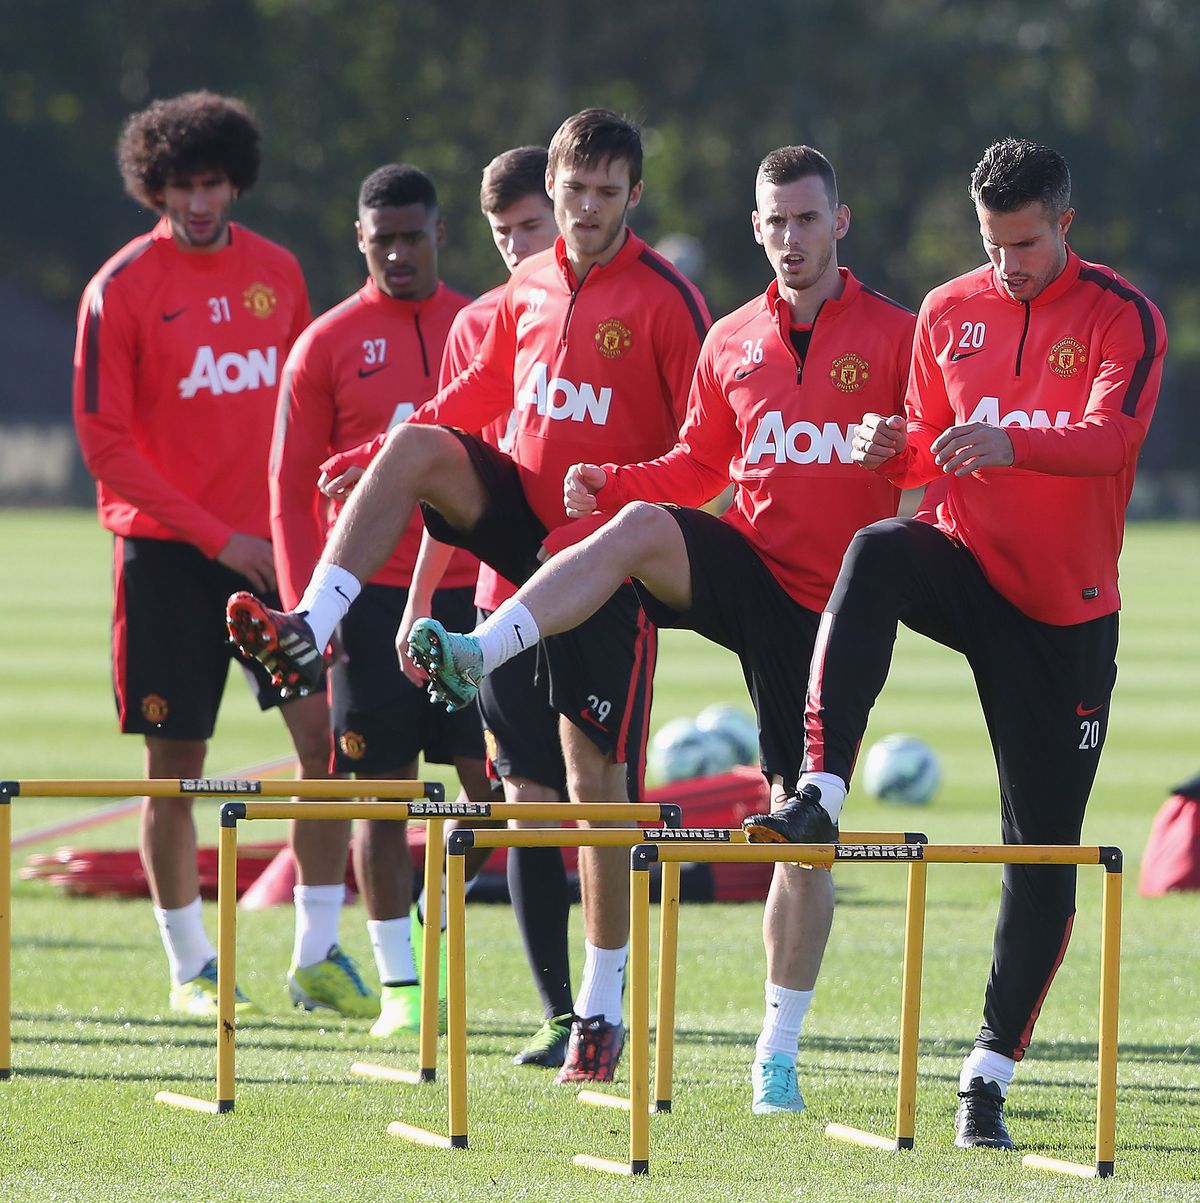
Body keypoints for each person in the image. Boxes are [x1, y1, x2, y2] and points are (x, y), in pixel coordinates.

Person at [406, 145, 915, 1114]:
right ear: (757, 228)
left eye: (809, 220)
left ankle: (777, 1054)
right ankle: (483, 648)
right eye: (776, 222)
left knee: (803, 825)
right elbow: (696, 465)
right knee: (638, 529)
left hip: (841, 613)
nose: (792, 239)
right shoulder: (733, 339)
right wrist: (620, 484)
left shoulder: (897, 334)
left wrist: (906, 445)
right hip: (751, 575)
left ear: (839, 224)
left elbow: (942, 450)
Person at [227, 108, 710, 1082]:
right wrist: (374, 456)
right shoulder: (523, 288)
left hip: (604, 559)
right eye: (572, 195)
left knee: (591, 788)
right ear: (556, 188)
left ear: (634, 198)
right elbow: (472, 400)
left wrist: (623, 489)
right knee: (414, 445)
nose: (584, 214)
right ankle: (306, 629)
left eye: (606, 198)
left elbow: (708, 461)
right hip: (514, 536)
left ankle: (602, 1010)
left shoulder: (669, 301)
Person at [743, 138, 1166, 1149]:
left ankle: (987, 1074)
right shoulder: (947, 311)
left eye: (1025, 243)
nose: (1009, 263)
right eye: (993, 244)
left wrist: (1011, 439)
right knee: (880, 548)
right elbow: (925, 448)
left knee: (1043, 852)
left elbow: (1117, 442)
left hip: (1064, 620)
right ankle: (821, 793)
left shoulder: (1123, 316)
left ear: (1064, 222)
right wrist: (892, 450)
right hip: (967, 567)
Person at [71, 91, 354, 1017]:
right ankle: (191, 967)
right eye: (182, 186)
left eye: (215, 184)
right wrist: (217, 536)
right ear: (154, 186)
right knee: (175, 770)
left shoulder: (277, 272)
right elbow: (105, 443)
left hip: (276, 556)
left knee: (324, 745)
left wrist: (293, 533)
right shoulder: (118, 288)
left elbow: (304, 419)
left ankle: (317, 954)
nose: (200, 202)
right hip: (167, 558)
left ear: (238, 181)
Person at [267, 163, 494, 1036]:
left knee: (493, 786)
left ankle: (438, 932)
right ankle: (402, 990)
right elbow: (287, 491)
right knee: (379, 791)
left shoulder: (481, 324)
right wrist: (305, 613)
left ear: (440, 233)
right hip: (363, 602)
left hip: (468, 590)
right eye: (382, 240)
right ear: (361, 243)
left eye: (413, 236)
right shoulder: (324, 344)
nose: (398, 253)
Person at [389, 146, 579, 1067]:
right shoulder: (477, 325)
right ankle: (562, 1012)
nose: (517, 249)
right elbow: (453, 477)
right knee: (531, 799)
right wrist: (423, 594)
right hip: (498, 603)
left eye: (531, 229)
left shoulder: (613, 308)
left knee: (597, 800)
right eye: (502, 233)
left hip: (592, 594)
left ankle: (609, 1007)